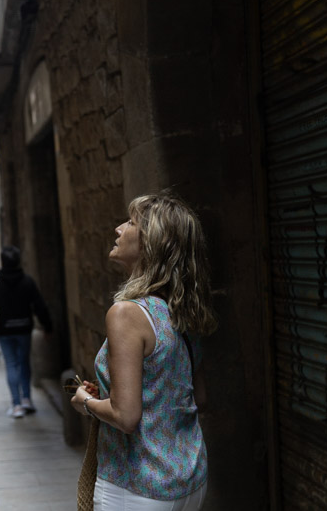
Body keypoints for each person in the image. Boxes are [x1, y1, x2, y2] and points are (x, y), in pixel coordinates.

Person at [70, 192, 215, 510]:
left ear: (152, 243)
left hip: (137, 489)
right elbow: (198, 396)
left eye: (131, 222)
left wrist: (87, 403)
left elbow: (126, 416)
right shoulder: (181, 311)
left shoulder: (126, 314)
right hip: (190, 481)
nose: (119, 229)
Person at [0, 246, 52, 418]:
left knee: (11, 364)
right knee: (24, 363)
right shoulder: (27, 281)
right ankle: (27, 399)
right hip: (24, 328)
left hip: (4, 330)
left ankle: (17, 405)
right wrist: (47, 326)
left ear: (2, 261)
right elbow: (39, 305)